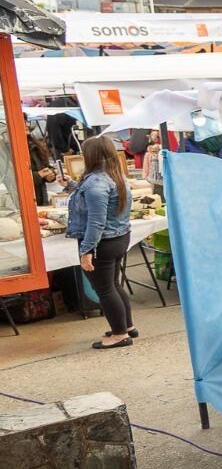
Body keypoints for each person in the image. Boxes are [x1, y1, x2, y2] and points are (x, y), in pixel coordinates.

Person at [65, 136, 135, 350]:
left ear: (91, 156)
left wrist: (86, 251)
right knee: (113, 285)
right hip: (119, 238)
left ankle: (120, 334)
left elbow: (96, 222)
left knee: (105, 289)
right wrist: (71, 185)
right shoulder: (116, 175)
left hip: (102, 242)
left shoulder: (96, 182)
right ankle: (127, 327)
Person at [27, 125, 58, 207]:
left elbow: (46, 166)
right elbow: (13, 177)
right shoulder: (11, 148)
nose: (27, 124)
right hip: (26, 201)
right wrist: (39, 175)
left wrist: (51, 174)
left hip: (42, 199)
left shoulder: (35, 145)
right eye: (23, 122)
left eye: (26, 121)